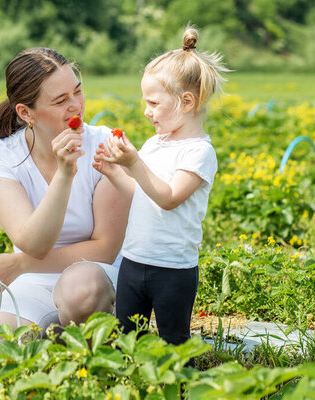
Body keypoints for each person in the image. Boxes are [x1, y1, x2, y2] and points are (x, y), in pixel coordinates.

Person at [0, 48, 131, 340]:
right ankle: (52, 345)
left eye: (77, 92)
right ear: (25, 113)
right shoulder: (2, 158)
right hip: (33, 279)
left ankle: (90, 362)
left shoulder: (106, 144)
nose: (76, 106)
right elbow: (33, 242)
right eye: (60, 101)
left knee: (81, 294)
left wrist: (20, 264)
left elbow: (105, 248)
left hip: (96, 275)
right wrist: (64, 174)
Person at [93, 27, 227, 349]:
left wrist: (134, 163)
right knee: (128, 337)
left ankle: (181, 389)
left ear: (186, 101)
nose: (146, 111)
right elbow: (143, 194)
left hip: (173, 268)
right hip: (134, 259)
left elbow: (168, 198)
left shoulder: (198, 153)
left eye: (153, 103)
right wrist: (115, 172)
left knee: (175, 341)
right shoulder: (155, 143)